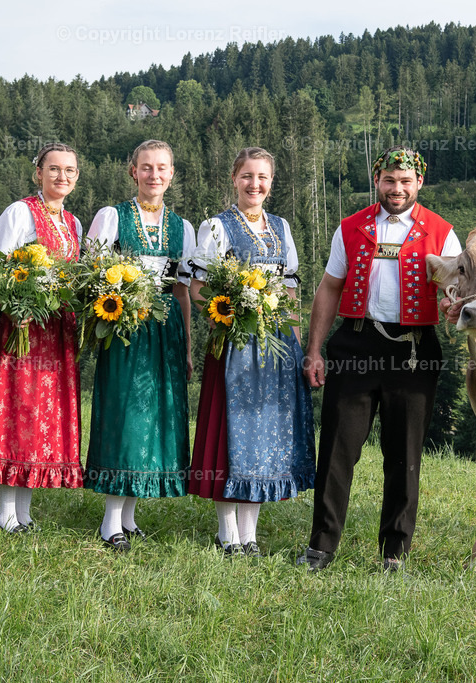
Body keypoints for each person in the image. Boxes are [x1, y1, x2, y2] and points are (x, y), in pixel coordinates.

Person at [298, 146, 462, 571]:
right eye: (389, 180)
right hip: (356, 343)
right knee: (336, 448)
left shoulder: (442, 232)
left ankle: (395, 553)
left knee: (404, 453)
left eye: (406, 181)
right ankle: (321, 546)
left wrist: (453, 305)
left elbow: (455, 291)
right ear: (377, 180)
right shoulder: (350, 227)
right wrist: (313, 350)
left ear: (419, 183)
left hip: (413, 351)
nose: (397, 189)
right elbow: (329, 288)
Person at [188, 147, 315, 557]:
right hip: (234, 343)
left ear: (271, 183)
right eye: (247, 176)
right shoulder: (217, 226)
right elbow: (198, 286)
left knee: (263, 435)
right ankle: (228, 534)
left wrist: (296, 342)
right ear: (234, 178)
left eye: (262, 177)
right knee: (232, 433)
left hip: (276, 344)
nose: (254, 184)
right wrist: (234, 309)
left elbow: (292, 289)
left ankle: (251, 533)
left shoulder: (280, 226)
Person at [83, 140, 195, 552]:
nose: (155, 175)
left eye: (162, 168)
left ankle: (128, 519)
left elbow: (181, 291)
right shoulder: (112, 216)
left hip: (165, 333)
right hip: (123, 329)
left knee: (152, 419)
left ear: (171, 173)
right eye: (146, 167)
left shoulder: (183, 227)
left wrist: (185, 347)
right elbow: (90, 276)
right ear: (133, 171)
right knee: (125, 415)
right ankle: (110, 521)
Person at [0, 142, 84, 532]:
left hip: (57, 329)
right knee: (18, 409)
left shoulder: (73, 223)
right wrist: (21, 306)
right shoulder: (20, 211)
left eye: (70, 171)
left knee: (42, 414)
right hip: (22, 326)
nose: (62, 177)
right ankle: (4, 510)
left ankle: (23, 511)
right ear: (37, 173)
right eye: (54, 169)